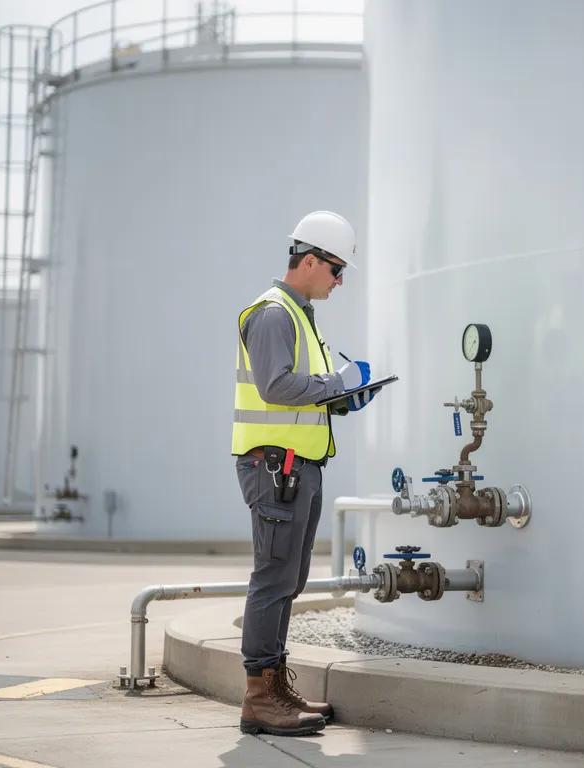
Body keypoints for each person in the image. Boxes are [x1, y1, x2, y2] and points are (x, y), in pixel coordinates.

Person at [230, 210, 379, 737]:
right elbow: (276, 387)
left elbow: (297, 393)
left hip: (296, 466)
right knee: (272, 579)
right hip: (277, 469)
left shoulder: (299, 315)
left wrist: (341, 400)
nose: (339, 281)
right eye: (337, 269)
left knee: (287, 578)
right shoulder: (274, 314)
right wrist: (332, 387)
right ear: (309, 260)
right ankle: (259, 697)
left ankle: (274, 688)